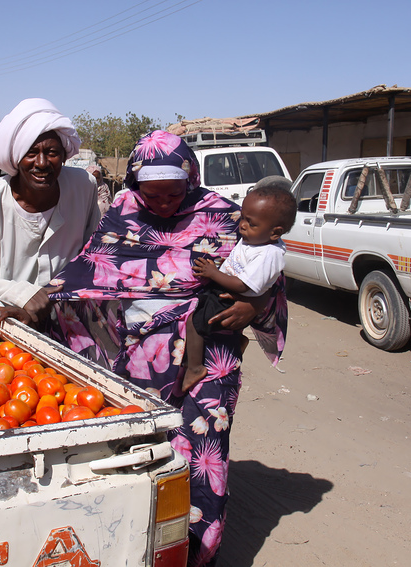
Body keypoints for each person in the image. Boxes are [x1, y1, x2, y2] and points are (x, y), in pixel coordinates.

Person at [46, 131, 288, 567]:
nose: (162, 203)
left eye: (173, 193)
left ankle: (198, 552)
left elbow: (267, 267)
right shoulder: (120, 211)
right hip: (135, 362)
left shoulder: (225, 215)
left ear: (190, 179)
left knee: (202, 452)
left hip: (210, 358)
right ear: (134, 184)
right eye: (151, 194)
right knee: (140, 452)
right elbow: (90, 268)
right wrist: (46, 298)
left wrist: (255, 305)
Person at [0, 98, 100, 322]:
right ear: (16, 158)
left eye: (51, 152)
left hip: (70, 321)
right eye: (31, 153)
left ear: (63, 155)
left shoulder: (83, 188)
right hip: (7, 332)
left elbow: (94, 257)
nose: (42, 163)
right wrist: (18, 294)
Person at [184, 178, 296, 394]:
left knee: (194, 322)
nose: (242, 225)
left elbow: (243, 285)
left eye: (250, 223)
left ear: (275, 232)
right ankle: (238, 343)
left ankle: (195, 368)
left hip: (231, 295)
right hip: (225, 291)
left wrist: (213, 273)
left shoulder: (268, 254)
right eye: (243, 218)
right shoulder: (257, 238)